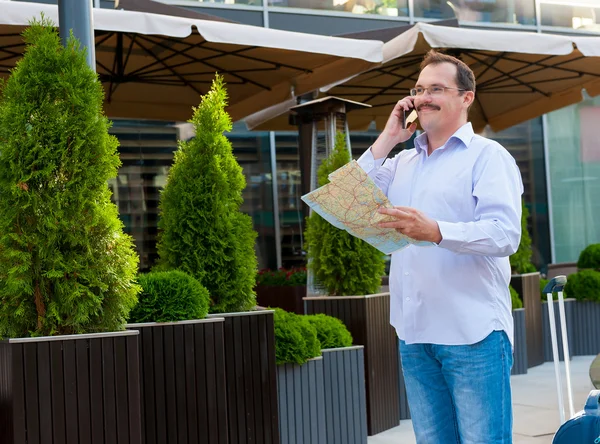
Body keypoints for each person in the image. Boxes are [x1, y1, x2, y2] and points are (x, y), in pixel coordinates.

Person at [356, 49, 523, 443]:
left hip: (474, 334)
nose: (423, 96)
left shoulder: (488, 157)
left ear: (466, 98)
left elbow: (504, 234)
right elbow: (349, 201)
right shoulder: (399, 163)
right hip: (414, 334)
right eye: (418, 88)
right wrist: (389, 137)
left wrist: (437, 231)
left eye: (436, 88)